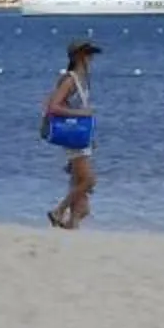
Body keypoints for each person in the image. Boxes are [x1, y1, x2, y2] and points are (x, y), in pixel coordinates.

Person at [43, 39, 100, 229]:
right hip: (73, 137)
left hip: (81, 137)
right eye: (87, 54)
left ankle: (72, 225)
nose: (91, 58)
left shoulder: (81, 80)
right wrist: (81, 113)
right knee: (88, 181)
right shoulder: (70, 80)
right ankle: (58, 210)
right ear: (78, 56)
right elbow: (53, 107)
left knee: (80, 188)